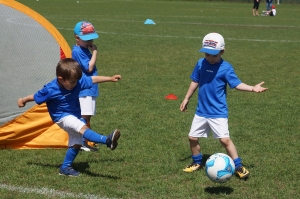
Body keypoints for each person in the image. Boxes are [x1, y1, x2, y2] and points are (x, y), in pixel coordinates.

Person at [180, 32, 268, 179]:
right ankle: (196, 162)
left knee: (225, 140)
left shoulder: (226, 68)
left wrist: (252, 88)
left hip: (218, 112)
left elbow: (237, 84)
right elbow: (195, 81)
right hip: (201, 111)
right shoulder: (200, 63)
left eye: (214, 55)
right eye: (207, 54)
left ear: (222, 51)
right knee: (192, 137)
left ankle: (238, 166)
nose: (210, 58)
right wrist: (186, 98)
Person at [17, 58, 122, 177]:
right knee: (82, 127)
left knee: (76, 144)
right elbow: (35, 96)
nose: (75, 84)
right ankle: (107, 140)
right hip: (62, 117)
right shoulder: (50, 89)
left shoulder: (76, 82)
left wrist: (110, 78)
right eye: (72, 82)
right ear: (61, 79)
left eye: (76, 81)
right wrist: (23, 100)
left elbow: (92, 79)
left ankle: (65, 167)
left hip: (75, 115)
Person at [72, 21, 100, 152]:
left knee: (87, 115)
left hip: (89, 88)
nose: (89, 42)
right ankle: (82, 142)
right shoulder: (78, 51)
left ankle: (86, 140)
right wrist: (94, 52)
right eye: (86, 39)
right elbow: (89, 68)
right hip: (85, 88)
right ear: (77, 38)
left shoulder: (83, 49)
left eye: (91, 39)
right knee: (84, 116)